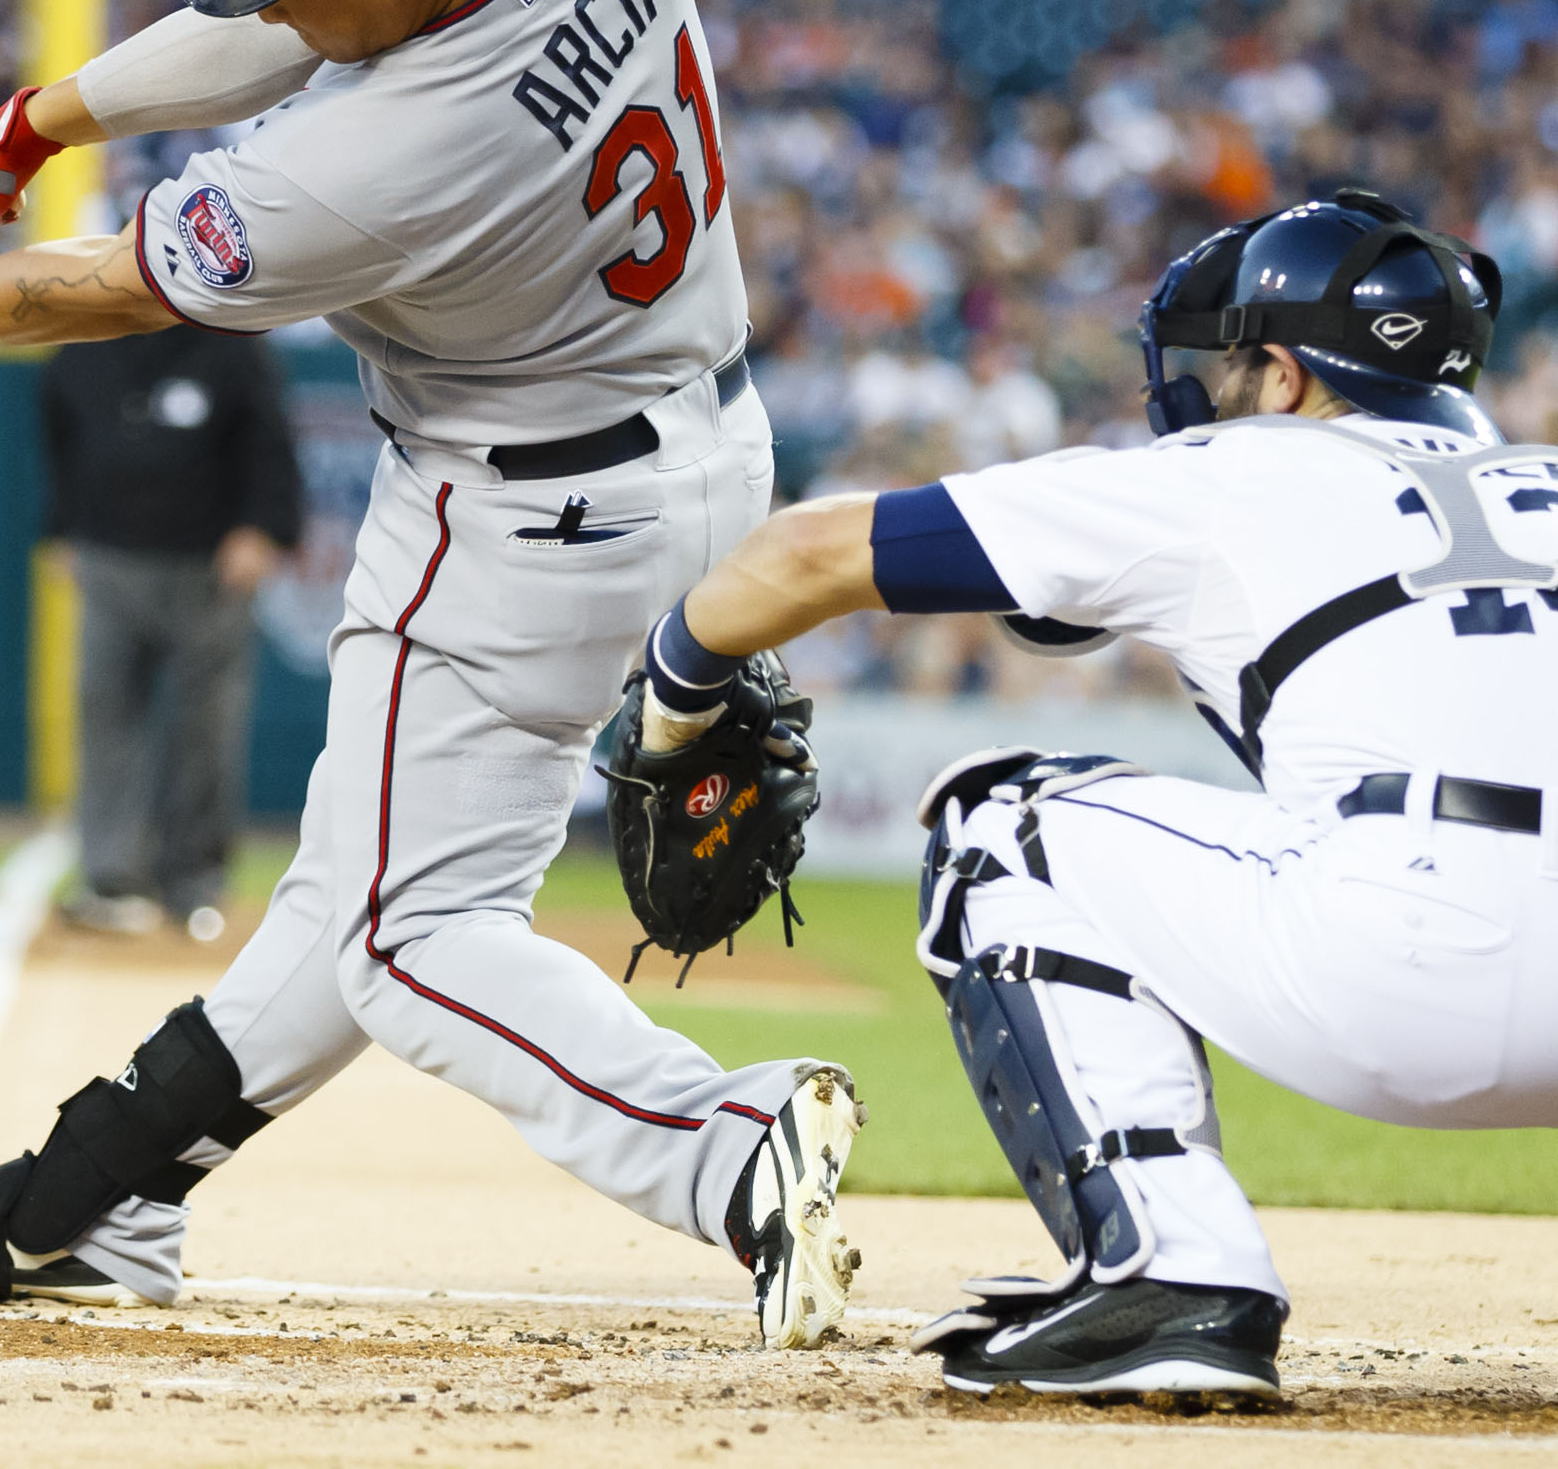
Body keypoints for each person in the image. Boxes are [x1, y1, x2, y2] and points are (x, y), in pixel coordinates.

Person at [0, 0, 865, 1346]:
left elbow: (92, 291)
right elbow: (255, 36)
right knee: (356, 890)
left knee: (410, 939)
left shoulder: (372, 167)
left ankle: (724, 1149)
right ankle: (111, 1195)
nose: (263, 3)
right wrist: (20, 131)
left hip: (515, 517)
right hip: (702, 452)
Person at [634, 191, 1552, 1397]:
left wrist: (671, 694)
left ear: (1282, 375)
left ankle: (1174, 1271)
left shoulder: (1236, 469)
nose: (1213, 386)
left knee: (1001, 827)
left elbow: (808, 555)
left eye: (1231, 362)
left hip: (1415, 966)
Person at [42, 328, 303, 940]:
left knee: (204, 726)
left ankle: (193, 882)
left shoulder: (231, 342)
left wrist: (263, 527)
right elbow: (60, 438)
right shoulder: (84, 343)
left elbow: (270, 438)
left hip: (205, 560)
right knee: (106, 712)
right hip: (109, 555)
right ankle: (111, 878)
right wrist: (60, 527)